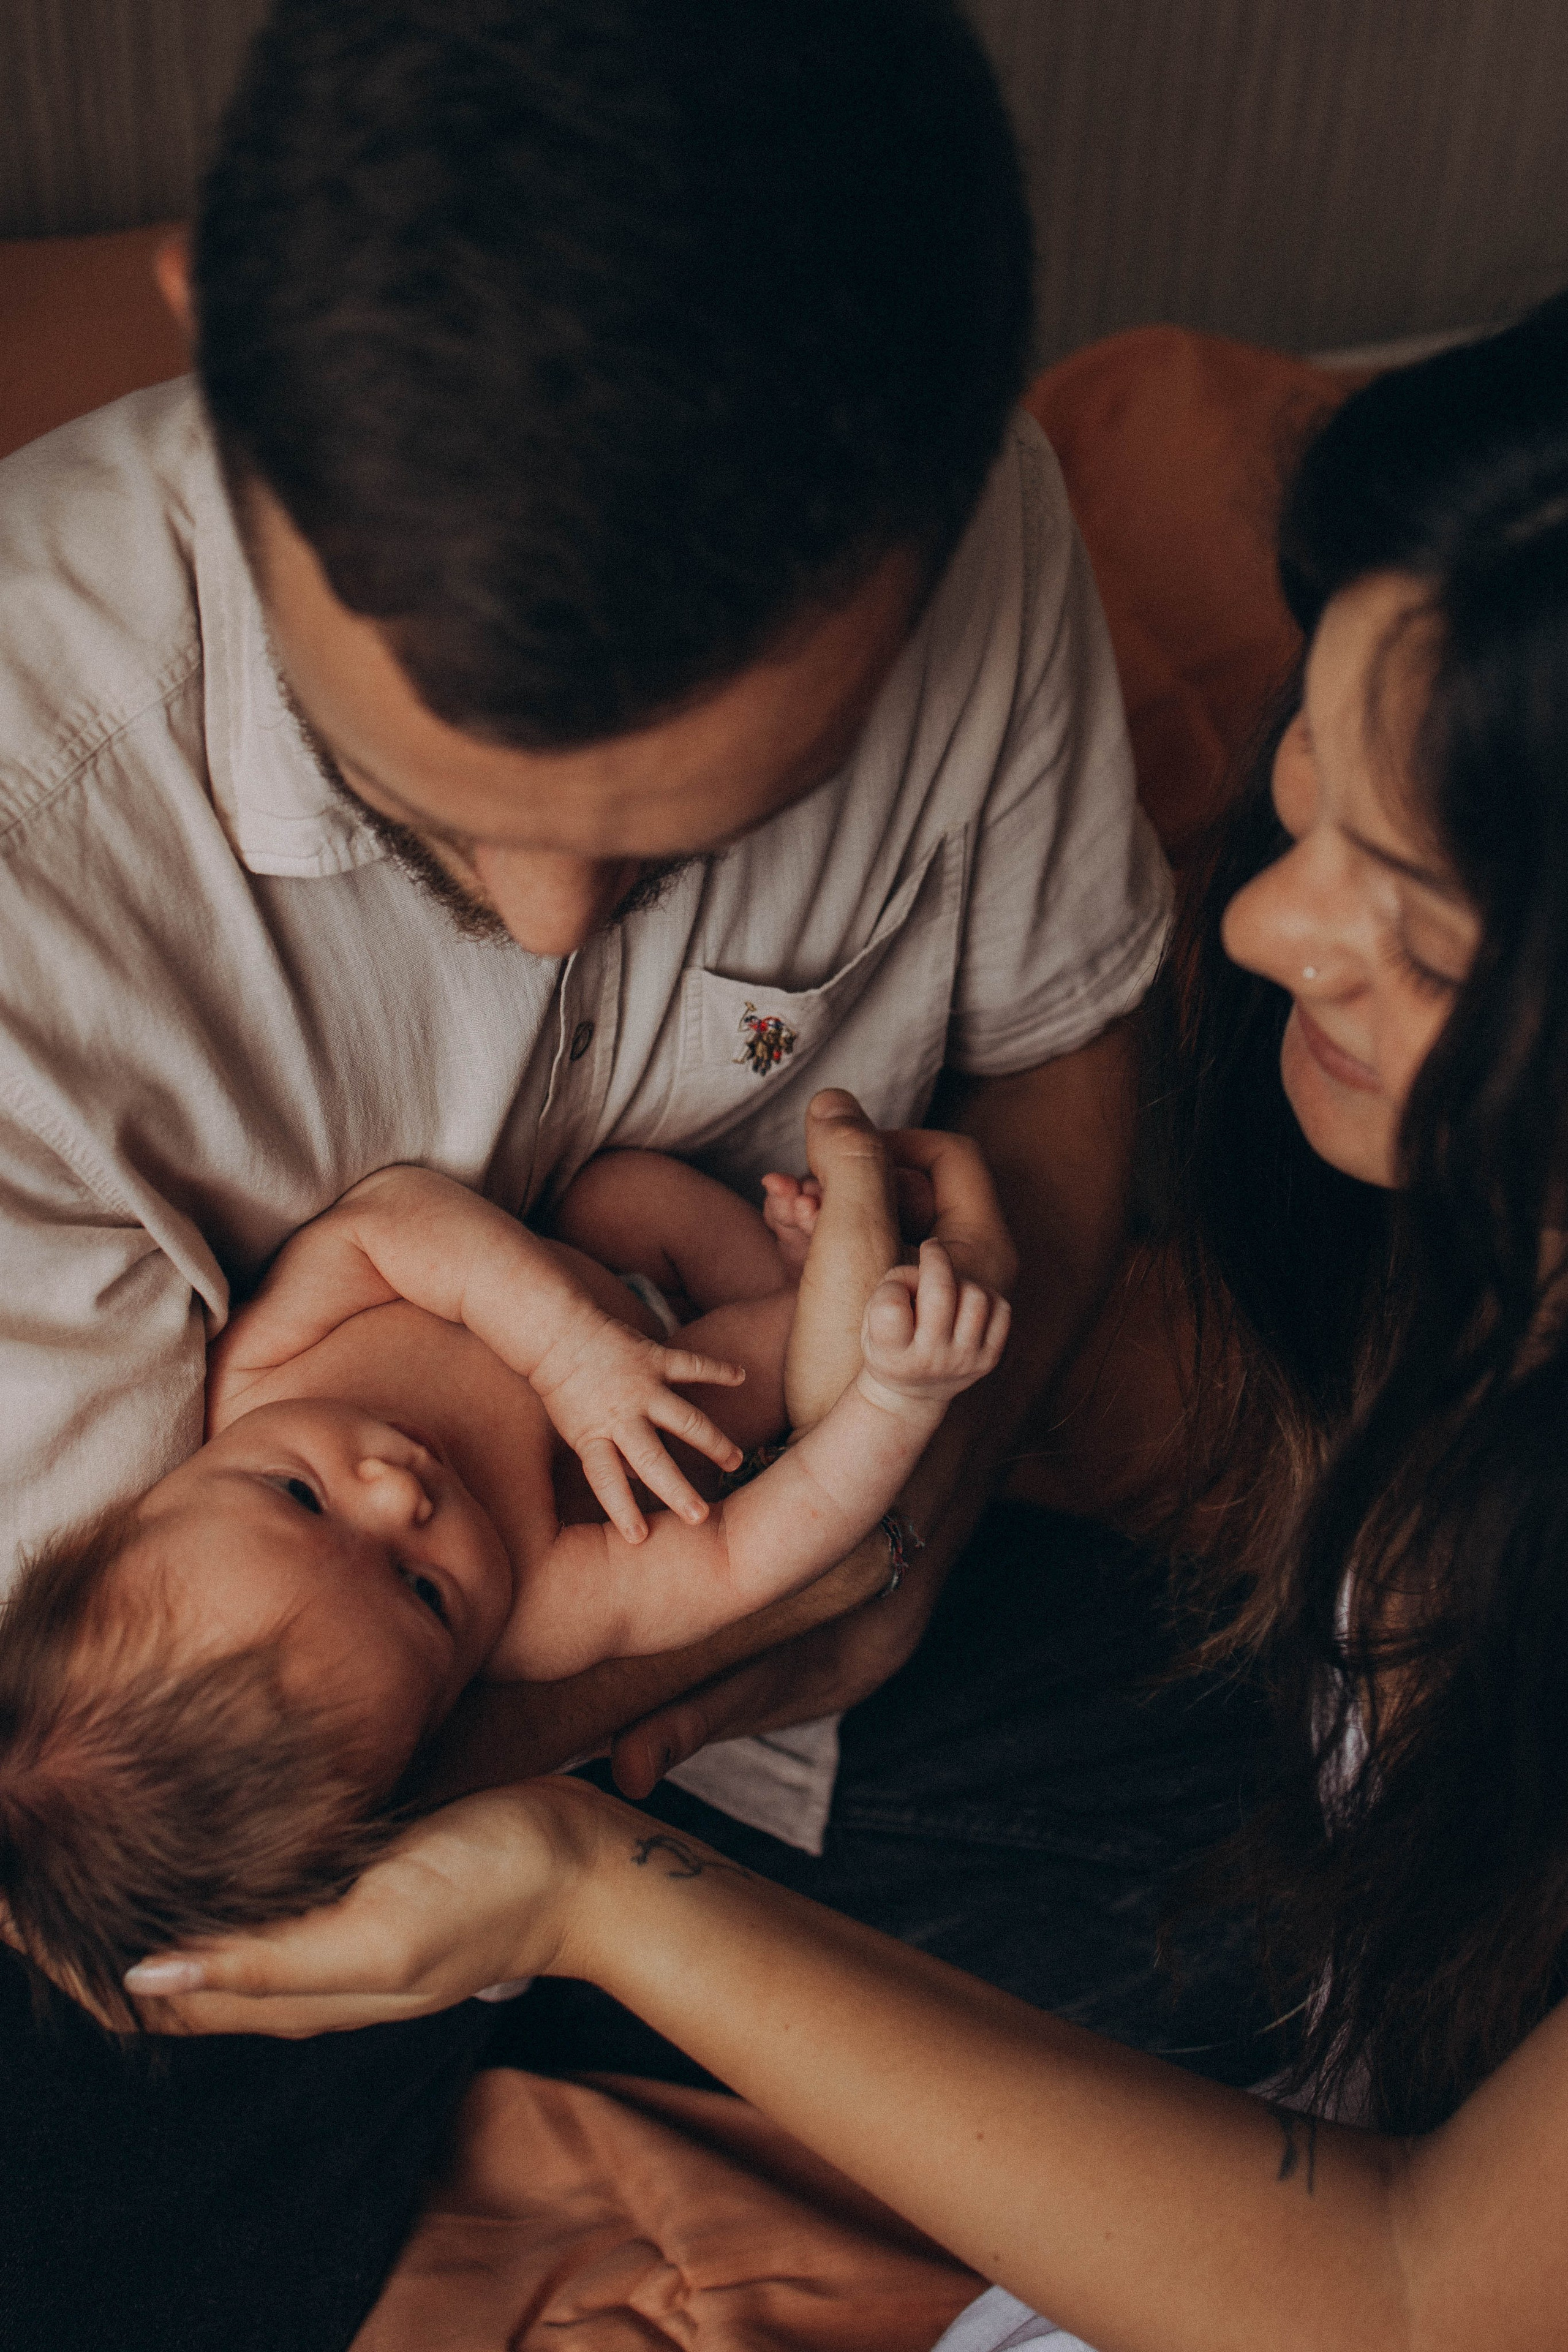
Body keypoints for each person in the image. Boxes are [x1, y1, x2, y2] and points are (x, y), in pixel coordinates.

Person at [148, 293, 1568, 2352]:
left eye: (1421, 925)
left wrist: (584, 1872)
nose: (1259, 926)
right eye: (1306, 766)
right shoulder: (1433, 1250)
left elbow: (1421, 2296)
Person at [2, 1098, 1009, 2024]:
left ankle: (799, 1257)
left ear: (144, 1501)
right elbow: (759, 1553)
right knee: (804, 1388)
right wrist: (898, 1404)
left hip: (597, 1255)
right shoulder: (538, 1612)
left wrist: (570, 1350)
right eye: (424, 1591)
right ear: (447, 1718)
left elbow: (389, 1216)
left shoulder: (257, 1382)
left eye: (297, 1497)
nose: (399, 1493)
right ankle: (833, 1265)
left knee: (617, 1190)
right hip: (705, 1370)